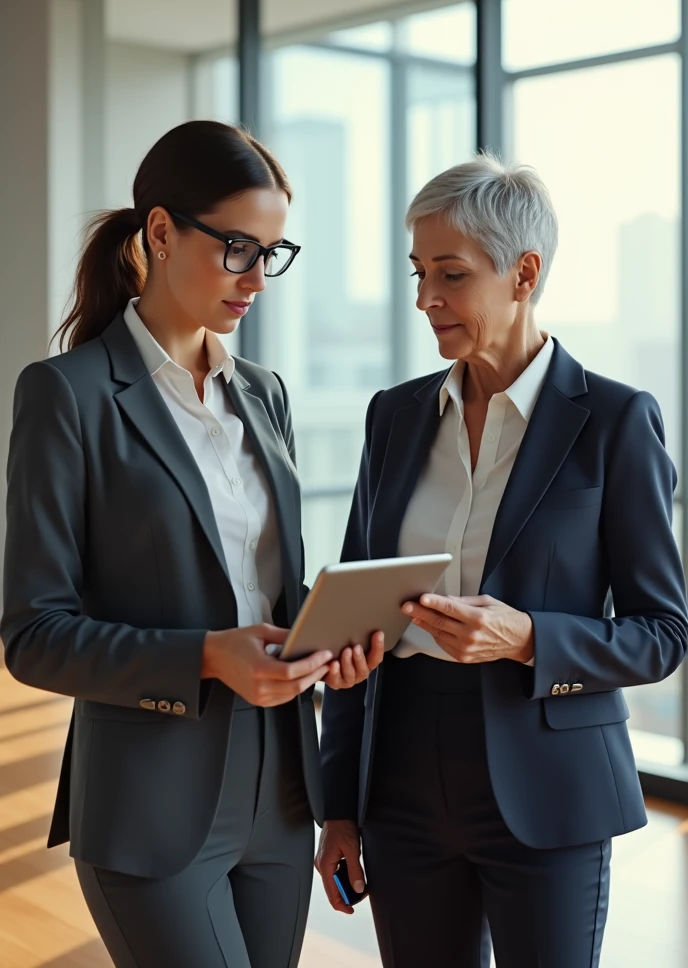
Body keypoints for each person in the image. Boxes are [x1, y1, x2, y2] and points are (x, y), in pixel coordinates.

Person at [1, 120, 382, 968]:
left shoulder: (265, 393)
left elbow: (267, 591)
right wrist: (210, 656)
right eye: (240, 249)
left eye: (274, 254)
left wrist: (329, 646)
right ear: (162, 232)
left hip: (282, 790)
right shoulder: (69, 396)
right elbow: (32, 634)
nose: (258, 280)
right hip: (152, 801)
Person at [316, 154, 688, 968]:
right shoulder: (395, 417)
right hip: (402, 781)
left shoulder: (617, 420)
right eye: (418, 272)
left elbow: (664, 634)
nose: (425, 299)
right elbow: (355, 612)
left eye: (450, 274)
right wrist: (337, 807)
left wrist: (529, 637)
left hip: (550, 783)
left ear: (525, 273)